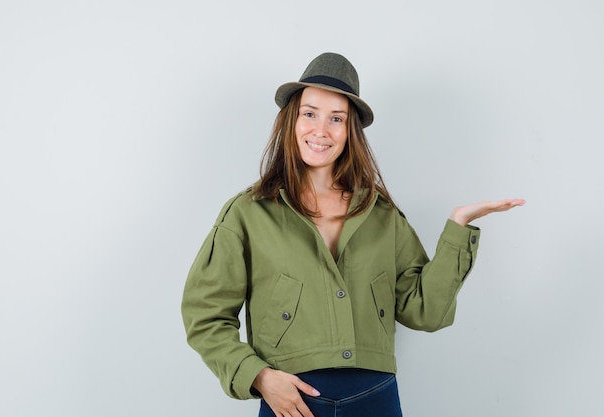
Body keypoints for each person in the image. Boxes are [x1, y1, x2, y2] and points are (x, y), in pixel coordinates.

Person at [181, 52, 525, 417]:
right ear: (291, 120)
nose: (321, 130)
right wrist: (260, 377)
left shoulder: (381, 215)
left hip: (375, 397)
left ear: (350, 131)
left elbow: (426, 312)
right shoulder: (248, 213)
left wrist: (458, 228)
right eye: (310, 113)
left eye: (336, 119)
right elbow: (205, 316)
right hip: (291, 401)